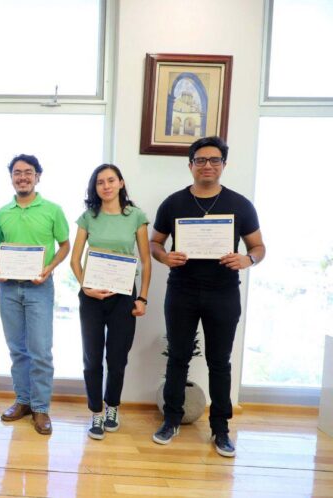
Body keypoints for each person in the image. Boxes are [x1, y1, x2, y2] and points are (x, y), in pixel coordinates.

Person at [150, 136, 265, 458]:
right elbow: (155, 243)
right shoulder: (173, 203)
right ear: (190, 165)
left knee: (219, 362)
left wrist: (248, 260)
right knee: (178, 356)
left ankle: (221, 429)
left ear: (224, 165)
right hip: (182, 290)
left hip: (223, 293)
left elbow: (258, 247)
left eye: (214, 160)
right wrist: (163, 257)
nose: (207, 166)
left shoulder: (240, 205)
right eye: (200, 160)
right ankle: (170, 419)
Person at [70, 164, 151, 440]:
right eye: (100, 182)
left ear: (120, 183)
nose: (105, 186)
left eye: (110, 180)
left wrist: (142, 297)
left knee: (117, 358)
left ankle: (112, 407)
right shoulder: (88, 217)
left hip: (124, 295)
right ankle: (95, 411)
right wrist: (86, 287)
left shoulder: (136, 216)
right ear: (95, 188)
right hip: (91, 296)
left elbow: (146, 260)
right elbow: (74, 259)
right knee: (92, 358)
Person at [0, 154, 70, 435]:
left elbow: (64, 245)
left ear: (38, 176)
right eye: (17, 172)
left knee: (40, 351)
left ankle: (41, 408)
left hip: (39, 287)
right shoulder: (3, 213)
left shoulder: (52, 210)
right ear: (11, 177)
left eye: (28, 172)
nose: (22, 177)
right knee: (17, 349)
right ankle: (23, 401)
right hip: (8, 288)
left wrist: (49, 268)